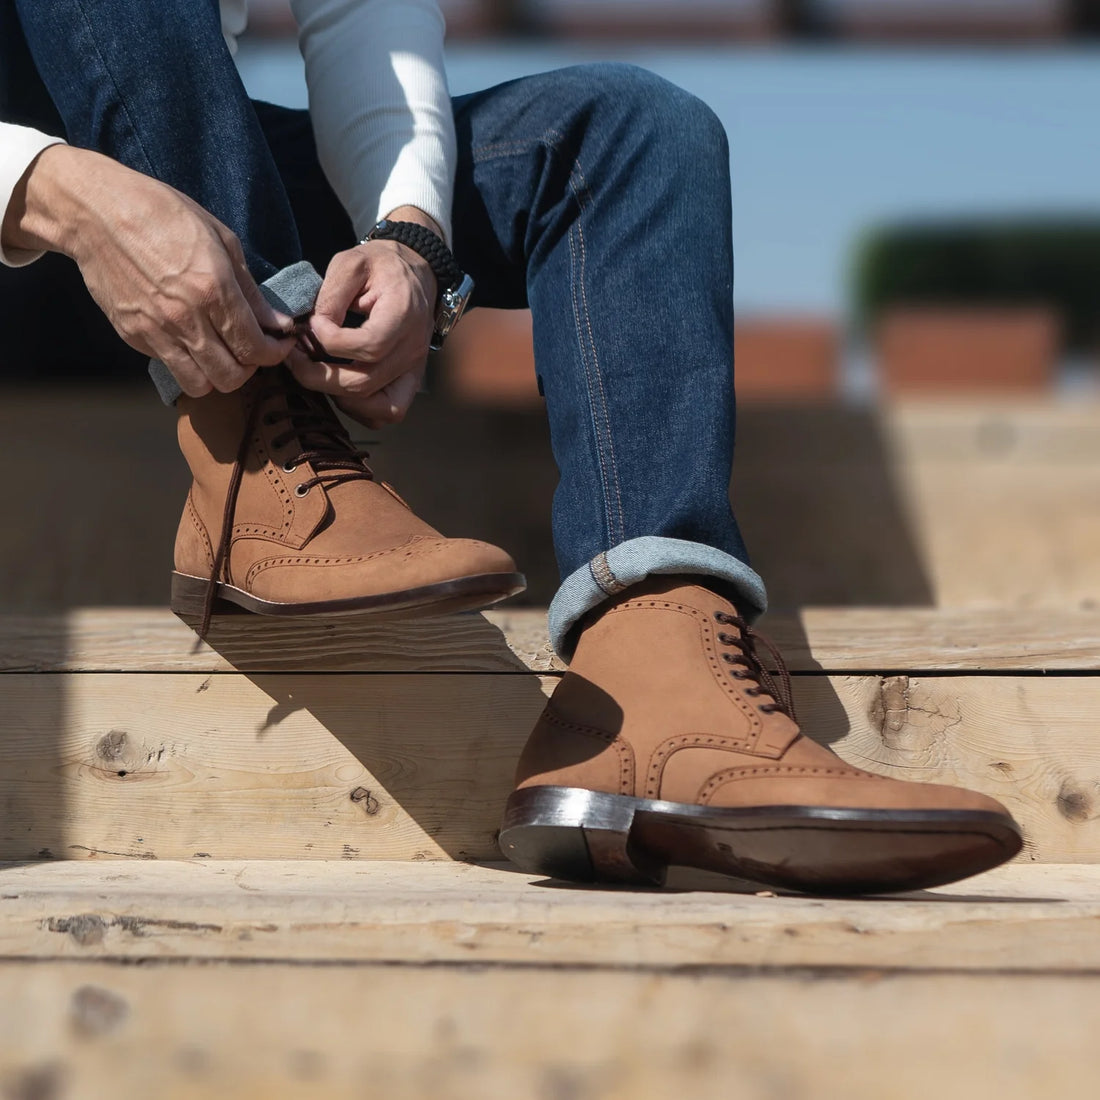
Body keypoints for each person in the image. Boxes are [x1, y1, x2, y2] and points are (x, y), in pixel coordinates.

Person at [0, 0, 1022, 893]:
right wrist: (54, 190)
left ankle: (653, 676)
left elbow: (363, 14)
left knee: (628, 132)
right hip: (28, 237)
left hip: (199, 197)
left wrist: (410, 235)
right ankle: (263, 456)